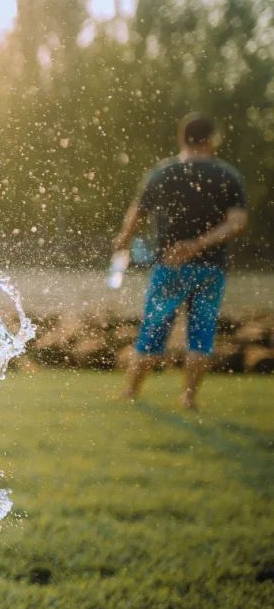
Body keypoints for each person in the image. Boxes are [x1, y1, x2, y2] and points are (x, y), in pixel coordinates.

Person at [113, 112, 248, 409]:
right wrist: (199, 244)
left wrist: (123, 240)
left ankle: (131, 392)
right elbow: (237, 222)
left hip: (169, 266)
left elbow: (137, 212)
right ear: (212, 139)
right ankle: (188, 397)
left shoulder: (164, 172)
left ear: (181, 138)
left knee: (152, 331)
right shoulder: (227, 175)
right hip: (211, 268)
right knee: (201, 336)